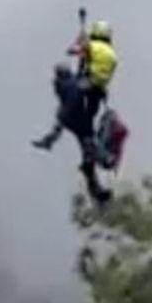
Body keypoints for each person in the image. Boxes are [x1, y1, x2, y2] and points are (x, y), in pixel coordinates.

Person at [32, 62, 112, 204]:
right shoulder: (73, 84)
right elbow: (85, 87)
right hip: (79, 120)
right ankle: (103, 160)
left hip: (72, 120)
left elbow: (61, 119)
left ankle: (95, 187)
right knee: (91, 144)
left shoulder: (66, 84)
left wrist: (49, 139)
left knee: (88, 152)